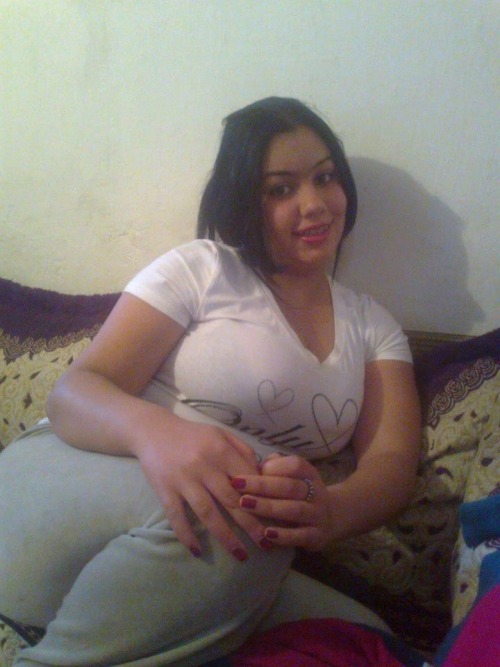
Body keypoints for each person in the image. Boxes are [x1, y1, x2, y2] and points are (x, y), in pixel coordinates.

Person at [0, 97, 421, 666]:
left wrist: (332, 511)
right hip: (66, 477)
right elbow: (74, 392)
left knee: (367, 641)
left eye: (325, 178)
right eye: (281, 189)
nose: (315, 203)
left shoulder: (373, 326)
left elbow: (391, 462)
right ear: (244, 199)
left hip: (213, 546)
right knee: (241, 504)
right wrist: (159, 435)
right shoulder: (202, 269)